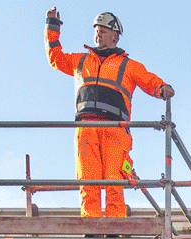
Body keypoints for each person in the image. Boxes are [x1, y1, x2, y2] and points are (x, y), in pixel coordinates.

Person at [44, 9, 174, 219]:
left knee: (115, 180)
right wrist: (52, 26)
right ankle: (92, 227)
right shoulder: (81, 61)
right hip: (86, 128)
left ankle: (115, 228)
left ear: (115, 36)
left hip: (115, 130)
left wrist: (161, 88)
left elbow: (147, 79)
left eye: (103, 31)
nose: (98, 35)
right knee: (88, 179)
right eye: (96, 31)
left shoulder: (129, 66)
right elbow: (56, 58)